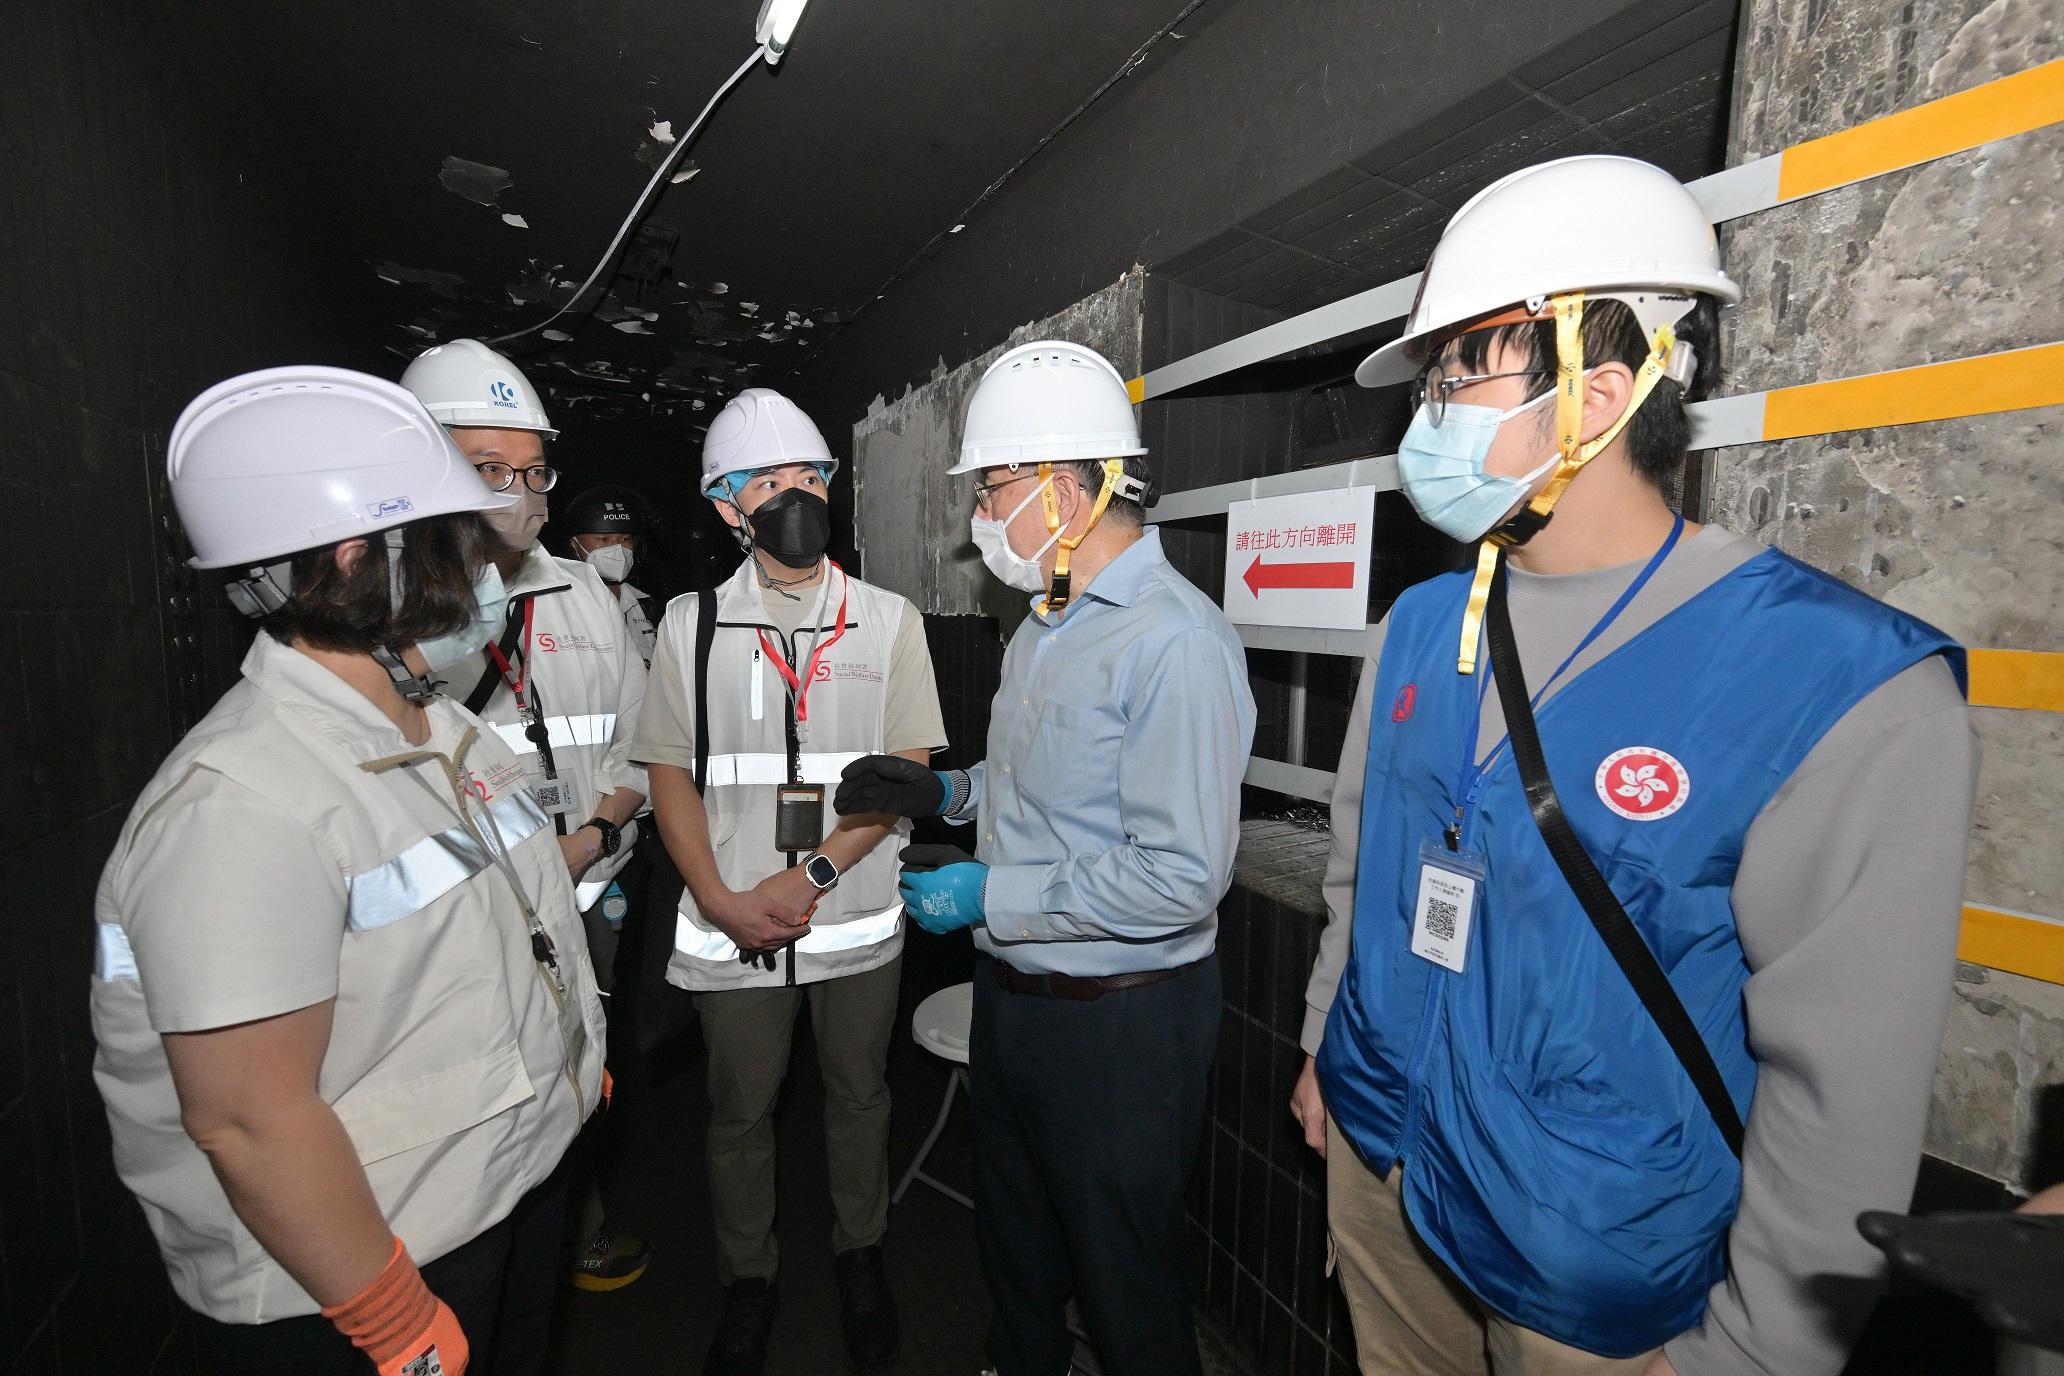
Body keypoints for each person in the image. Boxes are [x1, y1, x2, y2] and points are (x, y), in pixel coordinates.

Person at [1289, 155, 1978, 1376]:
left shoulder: (1837, 685)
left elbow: (1847, 1092)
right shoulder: (1420, 626)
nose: (1426, 414)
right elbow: (1364, 868)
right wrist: (1328, 1052)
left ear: (1598, 391)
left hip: (1587, 1267)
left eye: (1457, 374)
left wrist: (1753, 1354)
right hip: (1380, 1161)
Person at [91, 366, 607, 1376]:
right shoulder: (241, 804)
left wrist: (569, 1067)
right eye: (455, 536)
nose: (488, 558)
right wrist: (391, 1316)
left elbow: (507, 934)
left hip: (504, 1187)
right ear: (361, 556)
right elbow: (249, 1118)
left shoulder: (444, 730)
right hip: (372, 1269)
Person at [836, 340, 1257, 1376]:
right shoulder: (1042, 627)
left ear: (1064, 492)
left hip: (1121, 1026)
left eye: (992, 490)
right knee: (1017, 1254)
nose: (980, 516)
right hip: (1016, 1003)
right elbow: (1036, 781)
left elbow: (1180, 876)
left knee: (1126, 1287)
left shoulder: (1176, 642)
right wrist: (947, 793)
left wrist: (993, 892)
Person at [633, 386, 946, 1376]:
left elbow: (903, 773)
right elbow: (668, 775)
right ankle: (748, 1280)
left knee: (860, 1095)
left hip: (853, 918)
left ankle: (861, 1255)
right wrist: (721, 899)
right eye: (767, 481)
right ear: (727, 505)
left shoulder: (887, 620)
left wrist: (810, 874)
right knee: (740, 1112)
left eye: (809, 475)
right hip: (734, 926)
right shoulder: (689, 625)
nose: (794, 495)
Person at [400, 339, 655, 1294]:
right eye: (487, 469)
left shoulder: (585, 595)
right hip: (467, 913)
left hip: (587, 882)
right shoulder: (394, 617)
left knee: (582, 1058)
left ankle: (566, 1238)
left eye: (532, 470)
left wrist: (590, 839)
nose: (519, 493)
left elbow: (642, 744)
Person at [564, 483, 661, 666]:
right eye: (603, 539)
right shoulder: (562, 605)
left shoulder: (648, 604)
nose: (617, 548)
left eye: (625, 539)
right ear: (574, 543)